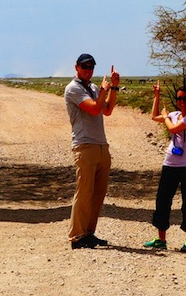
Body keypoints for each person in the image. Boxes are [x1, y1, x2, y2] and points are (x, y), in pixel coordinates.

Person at [64, 53, 120, 249]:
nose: (88, 71)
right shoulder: (73, 89)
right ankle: (77, 235)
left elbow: (107, 109)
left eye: (91, 67)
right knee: (85, 191)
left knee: (98, 193)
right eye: (85, 67)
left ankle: (89, 232)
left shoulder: (94, 88)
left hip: (101, 145)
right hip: (85, 145)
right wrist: (104, 91)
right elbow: (95, 109)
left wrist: (113, 88)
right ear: (77, 67)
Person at [144, 81, 186, 253]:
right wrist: (157, 96)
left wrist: (166, 117)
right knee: (162, 200)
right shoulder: (174, 114)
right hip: (170, 163)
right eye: (178, 99)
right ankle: (161, 239)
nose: (181, 102)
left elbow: (174, 129)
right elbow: (154, 116)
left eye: (184, 99)